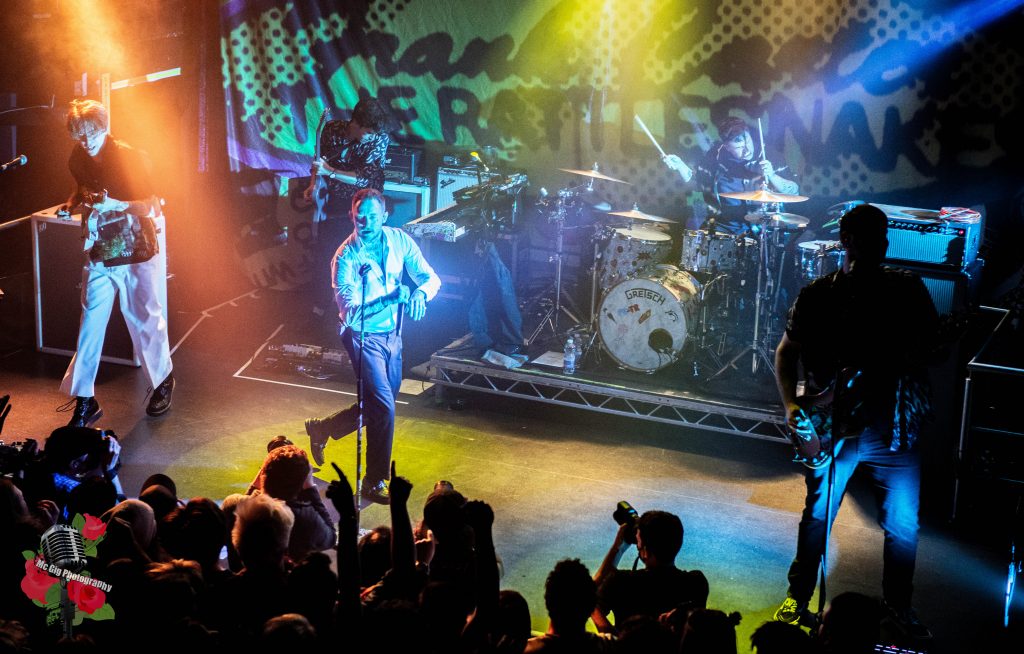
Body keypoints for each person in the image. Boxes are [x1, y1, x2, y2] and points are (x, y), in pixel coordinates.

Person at [772, 204, 939, 642]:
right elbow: (786, 351)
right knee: (818, 516)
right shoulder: (818, 295)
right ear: (845, 240)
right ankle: (798, 598)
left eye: (881, 239)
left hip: (892, 427)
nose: (878, 247)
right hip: (833, 424)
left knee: (903, 525)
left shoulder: (906, 290)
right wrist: (791, 406)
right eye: (867, 239)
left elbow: (932, 349)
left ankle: (898, 607)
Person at [304, 188, 440, 504]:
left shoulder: (399, 240)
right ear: (352, 216)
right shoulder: (345, 257)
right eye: (360, 217)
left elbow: (431, 278)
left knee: (379, 406)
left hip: (393, 335)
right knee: (385, 407)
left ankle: (323, 429)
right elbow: (350, 315)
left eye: (372, 217)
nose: (365, 223)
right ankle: (374, 481)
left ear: (385, 216)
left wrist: (420, 294)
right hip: (362, 337)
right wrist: (390, 298)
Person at [57, 99, 174, 427]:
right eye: (79, 135)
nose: (85, 141)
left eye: (91, 133)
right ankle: (85, 398)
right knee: (90, 324)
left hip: (136, 246)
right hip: (100, 248)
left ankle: (163, 381)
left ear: (104, 127)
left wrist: (117, 205)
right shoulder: (77, 157)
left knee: (143, 316)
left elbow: (152, 206)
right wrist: (70, 204)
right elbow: (81, 189)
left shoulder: (130, 156)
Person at [663, 116, 800, 234]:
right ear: (727, 147)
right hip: (726, 227)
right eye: (739, 147)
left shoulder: (770, 154)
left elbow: (794, 191)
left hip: (764, 228)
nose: (747, 149)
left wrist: (772, 176)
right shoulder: (715, 156)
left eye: (747, 141)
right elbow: (698, 183)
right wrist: (680, 166)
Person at [592, 509, 709, 633]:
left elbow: (587, 598)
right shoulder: (696, 583)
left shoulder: (620, 582)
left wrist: (618, 547)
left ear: (645, 551)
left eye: (638, 541)